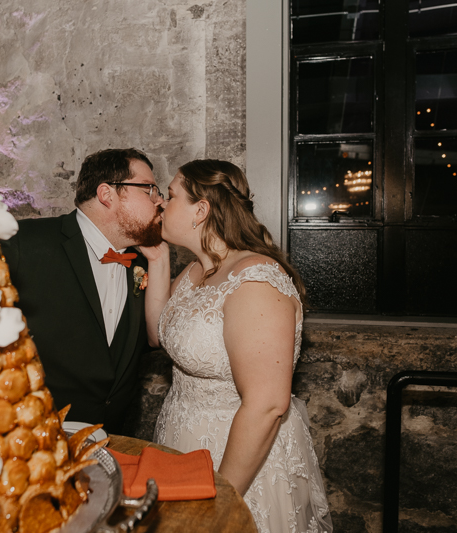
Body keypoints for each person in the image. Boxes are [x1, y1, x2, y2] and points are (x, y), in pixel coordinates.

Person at [140, 160, 332, 533]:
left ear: (201, 210)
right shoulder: (196, 270)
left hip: (238, 457)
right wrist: (158, 259)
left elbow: (267, 404)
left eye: (171, 195)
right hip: (182, 441)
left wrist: (220, 498)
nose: (161, 203)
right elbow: (156, 335)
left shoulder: (255, 280)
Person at [2, 148, 164, 434]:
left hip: (113, 439)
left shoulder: (143, 261)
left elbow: (149, 341)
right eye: (149, 189)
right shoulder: (23, 245)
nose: (159, 201)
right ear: (107, 194)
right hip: (34, 436)